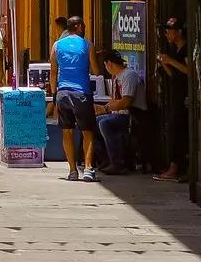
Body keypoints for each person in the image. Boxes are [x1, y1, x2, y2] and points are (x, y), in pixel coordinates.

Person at [52, 14, 95, 180]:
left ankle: (72, 170)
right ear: (79, 27)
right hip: (82, 92)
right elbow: (96, 69)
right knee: (88, 131)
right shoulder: (87, 45)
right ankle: (89, 169)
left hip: (63, 92)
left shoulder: (56, 45)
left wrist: (54, 94)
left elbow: (53, 71)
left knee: (67, 132)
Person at [154, 16, 191, 181]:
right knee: (172, 131)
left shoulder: (186, 49)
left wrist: (171, 61)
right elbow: (174, 76)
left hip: (186, 98)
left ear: (179, 32)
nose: (167, 34)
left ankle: (176, 168)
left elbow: (190, 71)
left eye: (170, 30)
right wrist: (165, 63)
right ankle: (172, 166)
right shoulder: (174, 50)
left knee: (179, 132)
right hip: (175, 95)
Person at [94, 49, 139, 174]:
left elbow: (125, 102)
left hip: (130, 116)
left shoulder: (129, 75)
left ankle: (117, 162)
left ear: (108, 64)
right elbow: (115, 101)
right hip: (117, 114)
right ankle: (104, 159)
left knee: (105, 124)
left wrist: (106, 108)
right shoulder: (116, 78)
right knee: (93, 122)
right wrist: (101, 109)